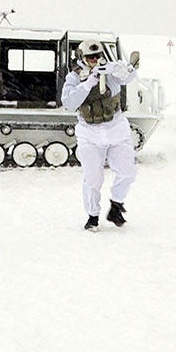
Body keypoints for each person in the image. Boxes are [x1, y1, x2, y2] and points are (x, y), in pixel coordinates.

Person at [61, 39, 138, 231]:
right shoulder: (74, 77)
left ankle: (117, 204)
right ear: (82, 57)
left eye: (97, 56)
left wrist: (118, 69)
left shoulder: (110, 72)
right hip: (90, 134)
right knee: (93, 179)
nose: (94, 60)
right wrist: (87, 84)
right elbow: (69, 103)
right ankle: (92, 215)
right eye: (90, 57)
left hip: (116, 130)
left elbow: (129, 76)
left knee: (127, 172)